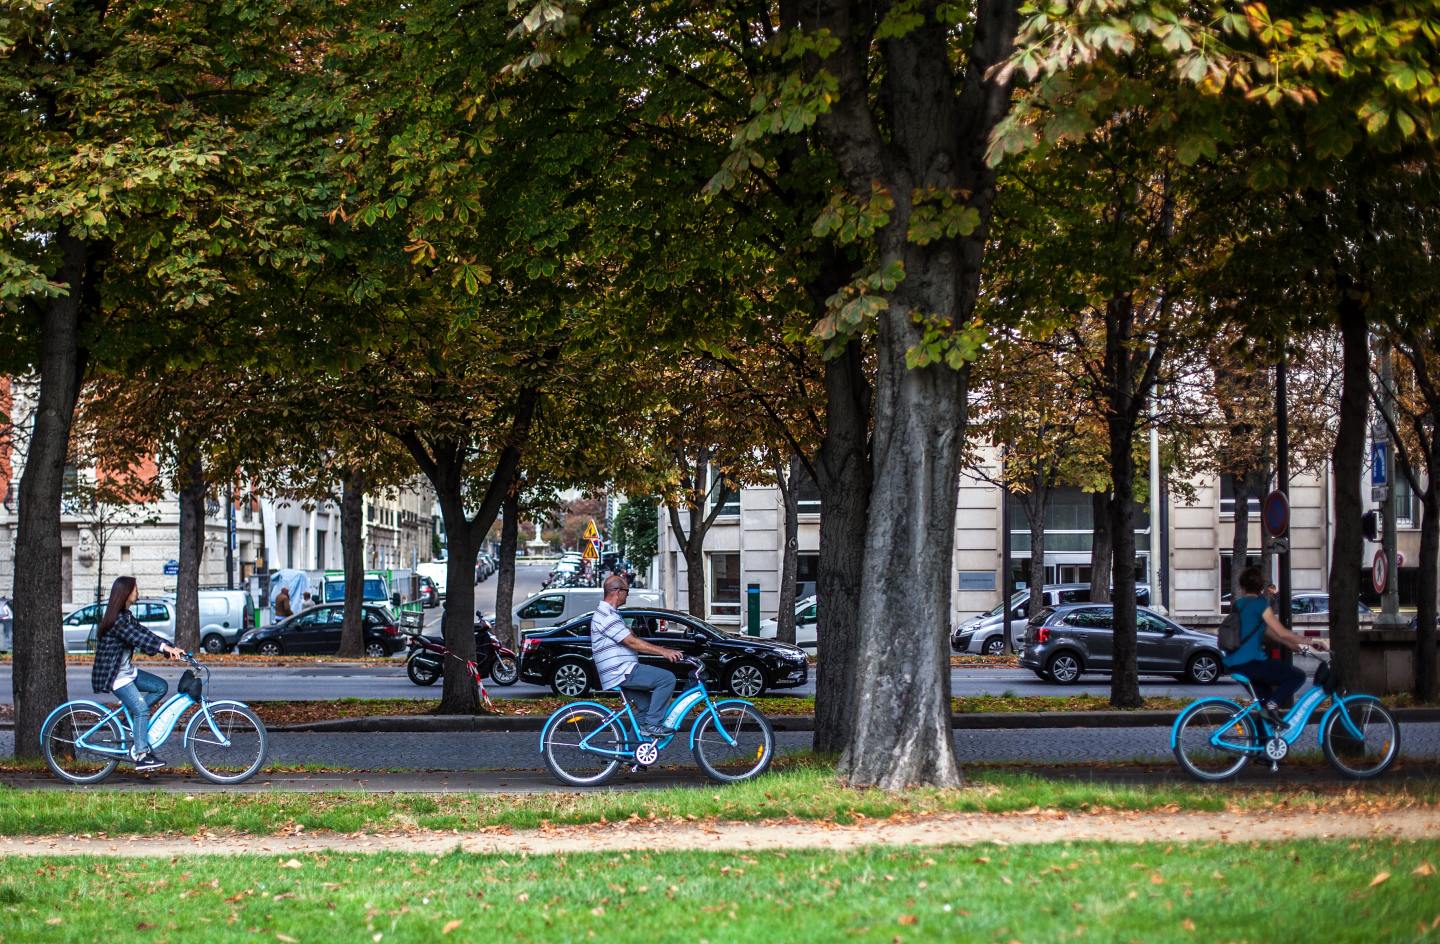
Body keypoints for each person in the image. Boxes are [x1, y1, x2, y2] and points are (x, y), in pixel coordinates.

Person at [91, 576, 185, 771]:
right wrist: (164, 649)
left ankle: (131, 721)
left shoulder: (125, 616)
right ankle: (142, 755)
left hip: (128, 673)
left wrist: (171, 648)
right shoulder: (117, 621)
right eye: (135, 589)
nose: (138, 592)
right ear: (126, 593)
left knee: (160, 687)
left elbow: (145, 632)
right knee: (142, 709)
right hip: (117, 676)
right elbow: (139, 638)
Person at [1225, 566, 1326, 725]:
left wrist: (1290, 645)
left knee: (1263, 706)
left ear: (1242, 585)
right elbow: (1281, 631)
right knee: (1297, 676)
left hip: (1235, 663)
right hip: (1252, 663)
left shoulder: (1239, 604)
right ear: (1261, 587)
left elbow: (1265, 632)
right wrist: (1311, 642)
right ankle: (1273, 706)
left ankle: (1259, 747)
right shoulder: (1260, 605)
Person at [589, 574, 682, 739]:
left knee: (646, 709)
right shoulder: (607, 615)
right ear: (617, 591)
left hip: (621, 672)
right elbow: (632, 642)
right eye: (627, 591)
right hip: (622, 671)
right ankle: (653, 725)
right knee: (667, 679)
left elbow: (629, 636)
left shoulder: (611, 614)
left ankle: (631, 755)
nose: (628, 595)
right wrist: (664, 651)